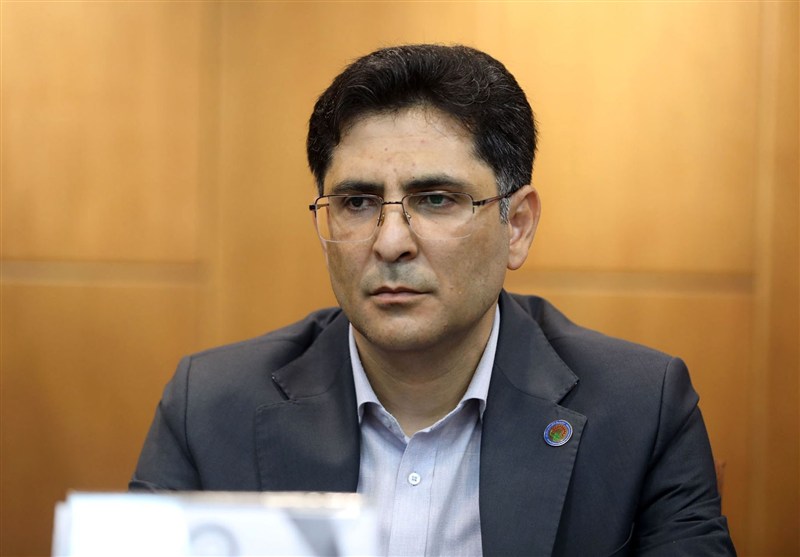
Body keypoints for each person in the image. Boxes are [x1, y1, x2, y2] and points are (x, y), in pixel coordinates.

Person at [131, 44, 736, 556]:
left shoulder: (639, 408)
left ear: (517, 225)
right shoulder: (211, 407)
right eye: (357, 203)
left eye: (436, 200)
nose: (390, 242)